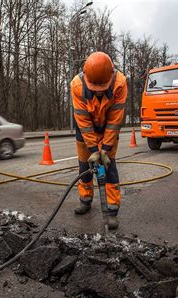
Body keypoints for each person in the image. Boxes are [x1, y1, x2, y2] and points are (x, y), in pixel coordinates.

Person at [70, 51, 127, 229]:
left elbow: (115, 119)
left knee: (109, 167)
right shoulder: (77, 85)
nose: (100, 92)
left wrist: (105, 149)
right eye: (96, 88)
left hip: (108, 128)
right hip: (85, 130)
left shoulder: (120, 83)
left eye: (102, 87)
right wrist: (94, 149)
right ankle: (85, 200)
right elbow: (83, 122)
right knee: (84, 167)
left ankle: (111, 211)